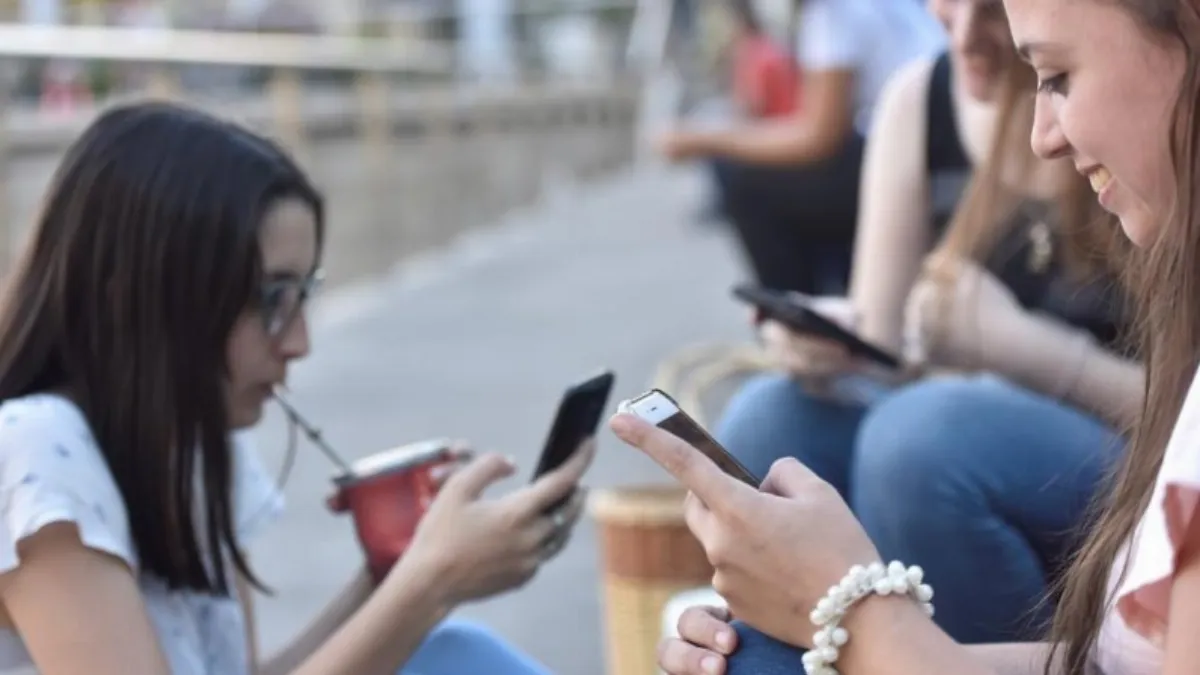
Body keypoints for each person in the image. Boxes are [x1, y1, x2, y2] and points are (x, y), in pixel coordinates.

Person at [616, 0, 1200, 673]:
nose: (960, 38)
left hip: (1082, 448)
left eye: (1056, 74)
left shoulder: (1146, 188)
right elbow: (888, 340)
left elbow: (1163, 416)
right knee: (774, 417)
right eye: (938, 14)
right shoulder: (924, 101)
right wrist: (841, 346)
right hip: (968, 424)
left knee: (922, 440)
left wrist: (863, 616)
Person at [0, 101, 594, 675]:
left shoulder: (196, 449)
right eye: (272, 299)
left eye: (304, 294)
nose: (299, 341)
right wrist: (432, 582)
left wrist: (392, 571)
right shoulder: (36, 453)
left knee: (455, 654)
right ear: (137, 295)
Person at [655, 0, 945, 294]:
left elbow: (819, 138)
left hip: (919, 160)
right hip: (932, 145)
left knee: (744, 180)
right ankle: (838, 289)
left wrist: (703, 139)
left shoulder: (831, 13)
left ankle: (799, 320)